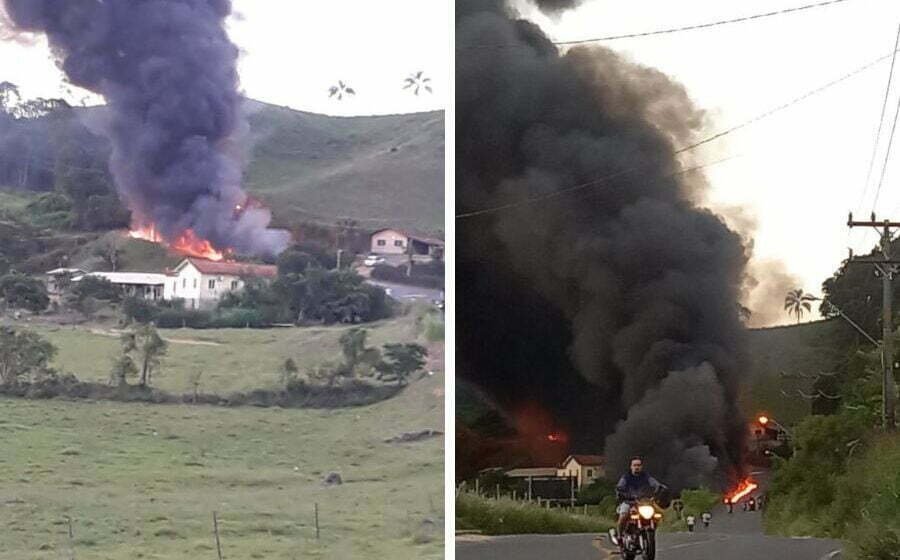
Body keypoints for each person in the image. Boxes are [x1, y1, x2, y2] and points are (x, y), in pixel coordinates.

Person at [614, 456, 664, 543]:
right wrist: (621, 492)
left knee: (656, 515)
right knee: (623, 516)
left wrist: (659, 488)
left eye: (639, 465)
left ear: (641, 467)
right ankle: (620, 536)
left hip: (643, 502)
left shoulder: (645, 476)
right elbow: (620, 487)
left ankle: (650, 534)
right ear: (631, 466)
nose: (637, 467)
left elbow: (654, 483)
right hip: (629, 501)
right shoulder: (626, 477)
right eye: (635, 465)